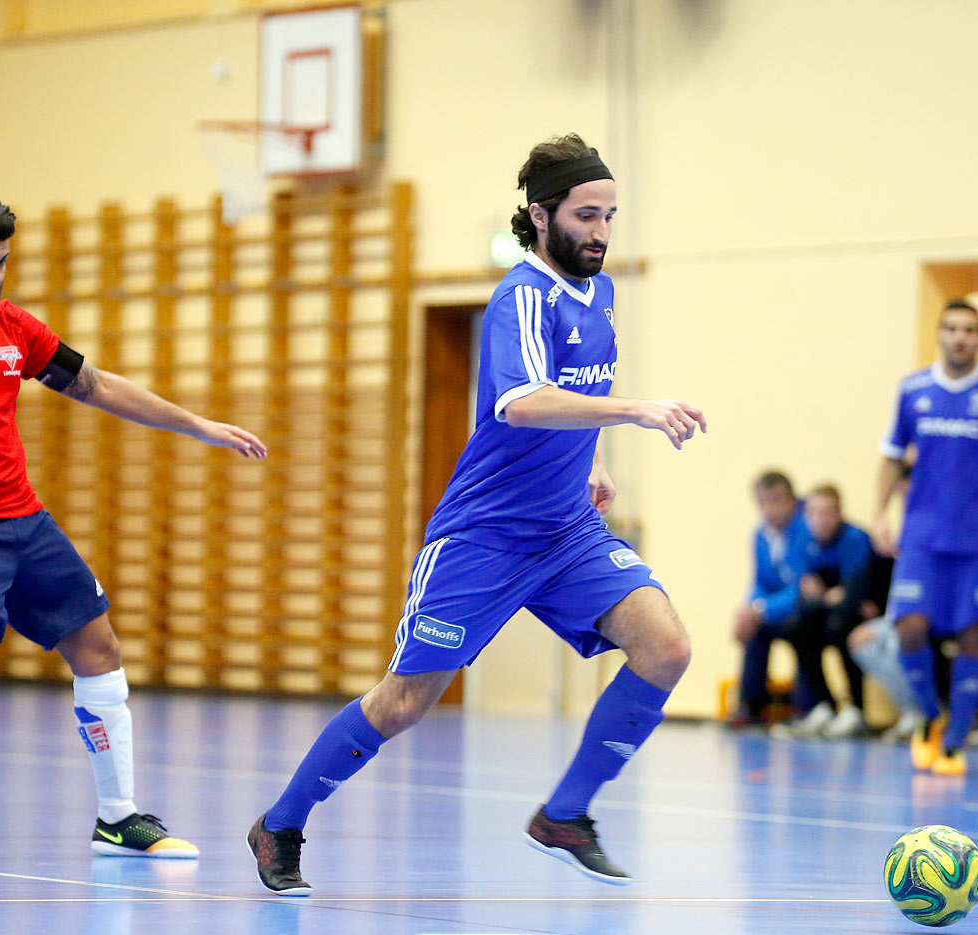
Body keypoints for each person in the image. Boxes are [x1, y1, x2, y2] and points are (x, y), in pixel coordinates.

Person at [248, 134, 706, 895]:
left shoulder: (602, 295)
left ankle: (564, 815)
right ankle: (282, 823)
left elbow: (568, 391)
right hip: (483, 539)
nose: (600, 232)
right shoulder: (520, 296)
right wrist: (635, 411)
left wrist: (591, 461)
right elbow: (521, 402)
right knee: (402, 703)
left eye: (611, 217)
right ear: (542, 213)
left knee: (666, 649)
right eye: (586, 215)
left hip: (565, 533)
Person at [0, 194, 268, 866]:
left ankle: (118, 817)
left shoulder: (13, 327)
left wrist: (199, 425)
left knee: (99, 647)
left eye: (2, 263)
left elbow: (95, 385)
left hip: (24, 520)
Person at [872, 300, 978, 776]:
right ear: (940, 335)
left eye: (969, 329)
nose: (960, 337)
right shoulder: (913, 390)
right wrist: (881, 515)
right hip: (923, 537)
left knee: (973, 634)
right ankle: (928, 718)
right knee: (908, 627)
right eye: (951, 328)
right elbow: (890, 455)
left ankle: (957, 740)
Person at [773, 484, 874, 739]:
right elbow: (805, 591)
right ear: (806, 516)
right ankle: (823, 705)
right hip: (821, 613)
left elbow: (852, 594)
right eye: (815, 512)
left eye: (828, 512)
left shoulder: (856, 538)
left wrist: (831, 595)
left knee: (841, 625)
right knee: (795, 626)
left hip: (855, 615)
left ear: (839, 513)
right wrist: (831, 595)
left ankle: (855, 709)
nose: (821, 520)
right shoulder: (800, 541)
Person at [731, 470, 808, 727]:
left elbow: (803, 587)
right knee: (752, 630)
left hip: (803, 609)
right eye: (763, 502)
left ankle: (806, 707)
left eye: (776, 500)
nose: (770, 509)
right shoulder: (760, 536)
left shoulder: (806, 530)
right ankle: (750, 707)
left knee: (800, 626)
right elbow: (759, 583)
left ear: (792, 501)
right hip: (777, 610)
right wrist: (749, 609)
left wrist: (761, 609)